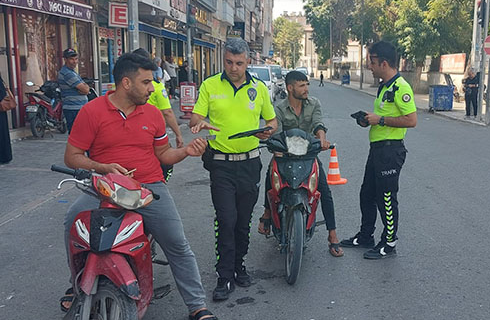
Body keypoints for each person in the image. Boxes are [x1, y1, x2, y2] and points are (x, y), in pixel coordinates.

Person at [62, 52, 219, 320]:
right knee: (73, 220)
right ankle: (78, 283)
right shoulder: (92, 111)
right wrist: (102, 166)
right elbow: (72, 156)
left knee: (177, 243)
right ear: (126, 83)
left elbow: (164, 154)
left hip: (149, 187)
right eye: (146, 82)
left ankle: (196, 304)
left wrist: (185, 151)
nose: (152, 88)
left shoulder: (153, 115)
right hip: (105, 188)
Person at [189, 38, 277, 301]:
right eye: (229, 62)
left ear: (248, 61)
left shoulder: (259, 88)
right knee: (226, 220)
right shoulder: (210, 85)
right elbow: (195, 117)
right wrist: (200, 124)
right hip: (221, 164)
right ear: (223, 60)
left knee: (242, 221)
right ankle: (224, 275)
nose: (234, 68)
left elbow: (271, 121)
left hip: (250, 163)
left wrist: (267, 132)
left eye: (239, 63)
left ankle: (240, 266)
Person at [341, 41, 417, 259]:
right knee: (367, 194)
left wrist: (381, 119)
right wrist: (370, 120)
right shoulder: (385, 86)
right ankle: (366, 235)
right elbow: (384, 117)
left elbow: (411, 120)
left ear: (384, 63)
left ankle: (389, 242)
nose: (369, 67)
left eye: (372, 62)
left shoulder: (400, 87)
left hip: (390, 152)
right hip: (377, 150)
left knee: (386, 197)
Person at [257, 70, 343, 257]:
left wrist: (322, 140)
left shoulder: (314, 104)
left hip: (308, 156)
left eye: (307, 85)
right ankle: (266, 215)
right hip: (284, 156)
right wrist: (273, 144)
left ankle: (333, 235)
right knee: (270, 177)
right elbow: (275, 132)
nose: (306, 89)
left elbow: (318, 125)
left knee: (324, 191)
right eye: (302, 85)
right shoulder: (279, 109)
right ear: (290, 88)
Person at [132, 48, 184, 182]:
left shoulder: (122, 86)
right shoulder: (156, 86)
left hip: (130, 136)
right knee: (163, 164)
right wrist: (178, 134)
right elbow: (167, 112)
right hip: (152, 134)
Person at [58, 48, 90, 133]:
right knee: (77, 135)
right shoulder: (67, 73)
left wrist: (84, 88)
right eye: (71, 59)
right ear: (65, 59)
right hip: (73, 108)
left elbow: (85, 88)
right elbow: (85, 89)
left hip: (79, 107)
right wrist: (84, 89)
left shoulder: (73, 72)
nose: (74, 61)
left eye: (76, 59)